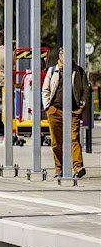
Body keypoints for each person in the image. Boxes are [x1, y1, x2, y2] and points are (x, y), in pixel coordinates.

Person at [42, 46, 87, 178]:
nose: (63, 56)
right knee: (56, 142)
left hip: (73, 111)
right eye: (61, 53)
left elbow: (85, 90)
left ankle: (78, 167)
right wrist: (48, 107)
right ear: (59, 55)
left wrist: (81, 106)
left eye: (66, 53)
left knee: (74, 138)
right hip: (55, 110)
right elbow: (45, 90)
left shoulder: (78, 71)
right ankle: (59, 168)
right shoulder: (53, 71)